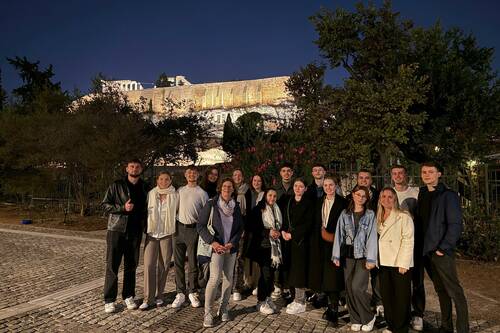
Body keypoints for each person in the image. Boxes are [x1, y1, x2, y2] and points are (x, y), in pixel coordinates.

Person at [416, 162, 469, 333]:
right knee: (440, 290)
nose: (427, 175)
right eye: (424, 172)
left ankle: (463, 329)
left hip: (441, 251)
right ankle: (446, 326)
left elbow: (455, 224)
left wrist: (443, 247)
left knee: (454, 291)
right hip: (426, 251)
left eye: (431, 172)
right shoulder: (422, 193)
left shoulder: (448, 195)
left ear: (439, 174)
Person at [102, 159, 149, 313]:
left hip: (135, 232)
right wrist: (123, 207)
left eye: (137, 167)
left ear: (141, 169)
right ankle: (109, 299)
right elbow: (105, 205)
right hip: (116, 230)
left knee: (131, 266)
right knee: (112, 265)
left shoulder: (144, 187)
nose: (134, 169)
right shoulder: (116, 185)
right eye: (132, 166)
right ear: (126, 168)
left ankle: (128, 295)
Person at [197, 178, 244, 327]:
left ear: (233, 189)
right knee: (215, 279)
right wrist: (213, 242)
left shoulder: (235, 206)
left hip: (230, 248)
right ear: (220, 188)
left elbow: (239, 228)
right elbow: (201, 225)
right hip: (216, 248)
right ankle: (208, 313)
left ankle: (223, 309)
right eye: (224, 186)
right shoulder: (211, 204)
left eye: (230, 186)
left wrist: (232, 243)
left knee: (229, 278)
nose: (227, 188)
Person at [332, 185, 378, 332]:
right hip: (348, 256)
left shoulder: (370, 214)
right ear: (353, 195)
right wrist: (336, 255)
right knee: (349, 288)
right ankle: (355, 318)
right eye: (358, 195)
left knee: (358, 287)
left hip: (363, 257)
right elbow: (338, 234)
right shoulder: (345, 213)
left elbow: (372, 237)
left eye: (364, 196)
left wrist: (371, 259)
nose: (361, 198)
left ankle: (368, 317)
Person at [308, 176, 348, 325]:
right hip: (319, 244)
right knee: (323, 276)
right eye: (325, 185)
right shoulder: (318, 203)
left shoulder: (343, 203)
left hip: (335, 244)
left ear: (335, 186)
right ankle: (328, 305)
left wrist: (333, 237)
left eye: (331, 185)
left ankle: (334, 309)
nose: (328, 187)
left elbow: (346, 226)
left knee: (333, 277)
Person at [377, 187, 414, 333]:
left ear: (395, 199)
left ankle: (402, 328)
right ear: (380, 199)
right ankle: (392, 326)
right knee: (387, 296)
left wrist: (404, 263)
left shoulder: (403, 216)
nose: (386, 199)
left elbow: (408, 240)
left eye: (390, 197)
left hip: (399, 262)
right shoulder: (378, 216)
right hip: (384, 262)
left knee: (401, 298)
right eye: (383, 196)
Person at [139, 171, 179, 310]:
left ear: (170, 180)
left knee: (164, 265)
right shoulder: (151, 194)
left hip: (167, 234)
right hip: (152, 234)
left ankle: (159, 295)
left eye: (166, 179)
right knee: (149, 265)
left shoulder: (175, 195)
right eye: (161, 179)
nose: (163, 181)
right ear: (157, 180)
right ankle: (148, 298)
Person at [171, 165, 208, 308]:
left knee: (193, 263)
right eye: (189, 173)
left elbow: (205, 215)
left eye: (194, 173)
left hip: (193, 230)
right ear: (185, 175)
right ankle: (180, 292)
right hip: (178, 228)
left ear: (198, 175)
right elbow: (174, 208)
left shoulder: (202, 193)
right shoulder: (180, 190)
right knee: (178, 263)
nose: (191, 175)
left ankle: (192, 291)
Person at [390, 165, 422, 331]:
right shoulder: (388, 193)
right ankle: (401, 312)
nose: (398, 176)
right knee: (399, 282)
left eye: (400, 173)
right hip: (394, 244)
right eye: (394, 173)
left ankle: (418, 314)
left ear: (406, 175)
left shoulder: (415, 192)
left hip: (413, 242)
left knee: (417, 280)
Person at [346, 169, 382, 315]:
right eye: (361, 178)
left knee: (376, 272)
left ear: (371, 180)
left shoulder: (379, 195)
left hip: (374, 238)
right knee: (357, 273)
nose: (364, 180)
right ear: (357, 179)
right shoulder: (349, 197)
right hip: (356, 243)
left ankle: (378, 301)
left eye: (367, 178)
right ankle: (355, 300)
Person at [246, 188, 282, 315]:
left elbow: (278, 226)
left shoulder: (276, 208)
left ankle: (267, 297)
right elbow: (252, 226)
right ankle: (260, 301)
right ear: (265, 196)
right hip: (262, 246)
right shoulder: (259, 208)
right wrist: (268, 232)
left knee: (271, 274)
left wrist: (277, 232)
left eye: (274, 196)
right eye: (270, 195)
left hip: (273, 247)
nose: (272, 198)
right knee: (266, 274)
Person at [281, 178, 314, 315]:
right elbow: (283, 218)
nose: (298, 188)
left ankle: (301, 301)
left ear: (305, 188)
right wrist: (283, 230)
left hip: (301, 241)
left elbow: (308, 223)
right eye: (296, 186)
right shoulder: (289, 201)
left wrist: (293, 235)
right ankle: (295, 298)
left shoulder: (309, 203)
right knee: (290, 269)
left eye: (301, 186)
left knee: (299, 271)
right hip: (287, 241)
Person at [241, 174, 266, 295]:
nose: (256, 182)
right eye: (254, 180)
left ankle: (257, 283)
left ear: (262, 182)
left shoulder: (265, 195)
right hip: (248, 229)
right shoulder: (248, 194)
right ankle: (247, 282)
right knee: (247, 256)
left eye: (259, 181)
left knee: (258, 256)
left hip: (261, 230)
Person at [231, 168, 250, 301]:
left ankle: (237, 287)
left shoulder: (247, 190)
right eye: (235, 175)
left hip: (242, 228)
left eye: (240, 174)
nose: (237, 177)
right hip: (228, 229)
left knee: (239, 258)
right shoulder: (227, 189)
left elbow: (249, 210)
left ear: (243, 177)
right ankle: (228, 285)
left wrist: (244, 228)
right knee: (228, 258)